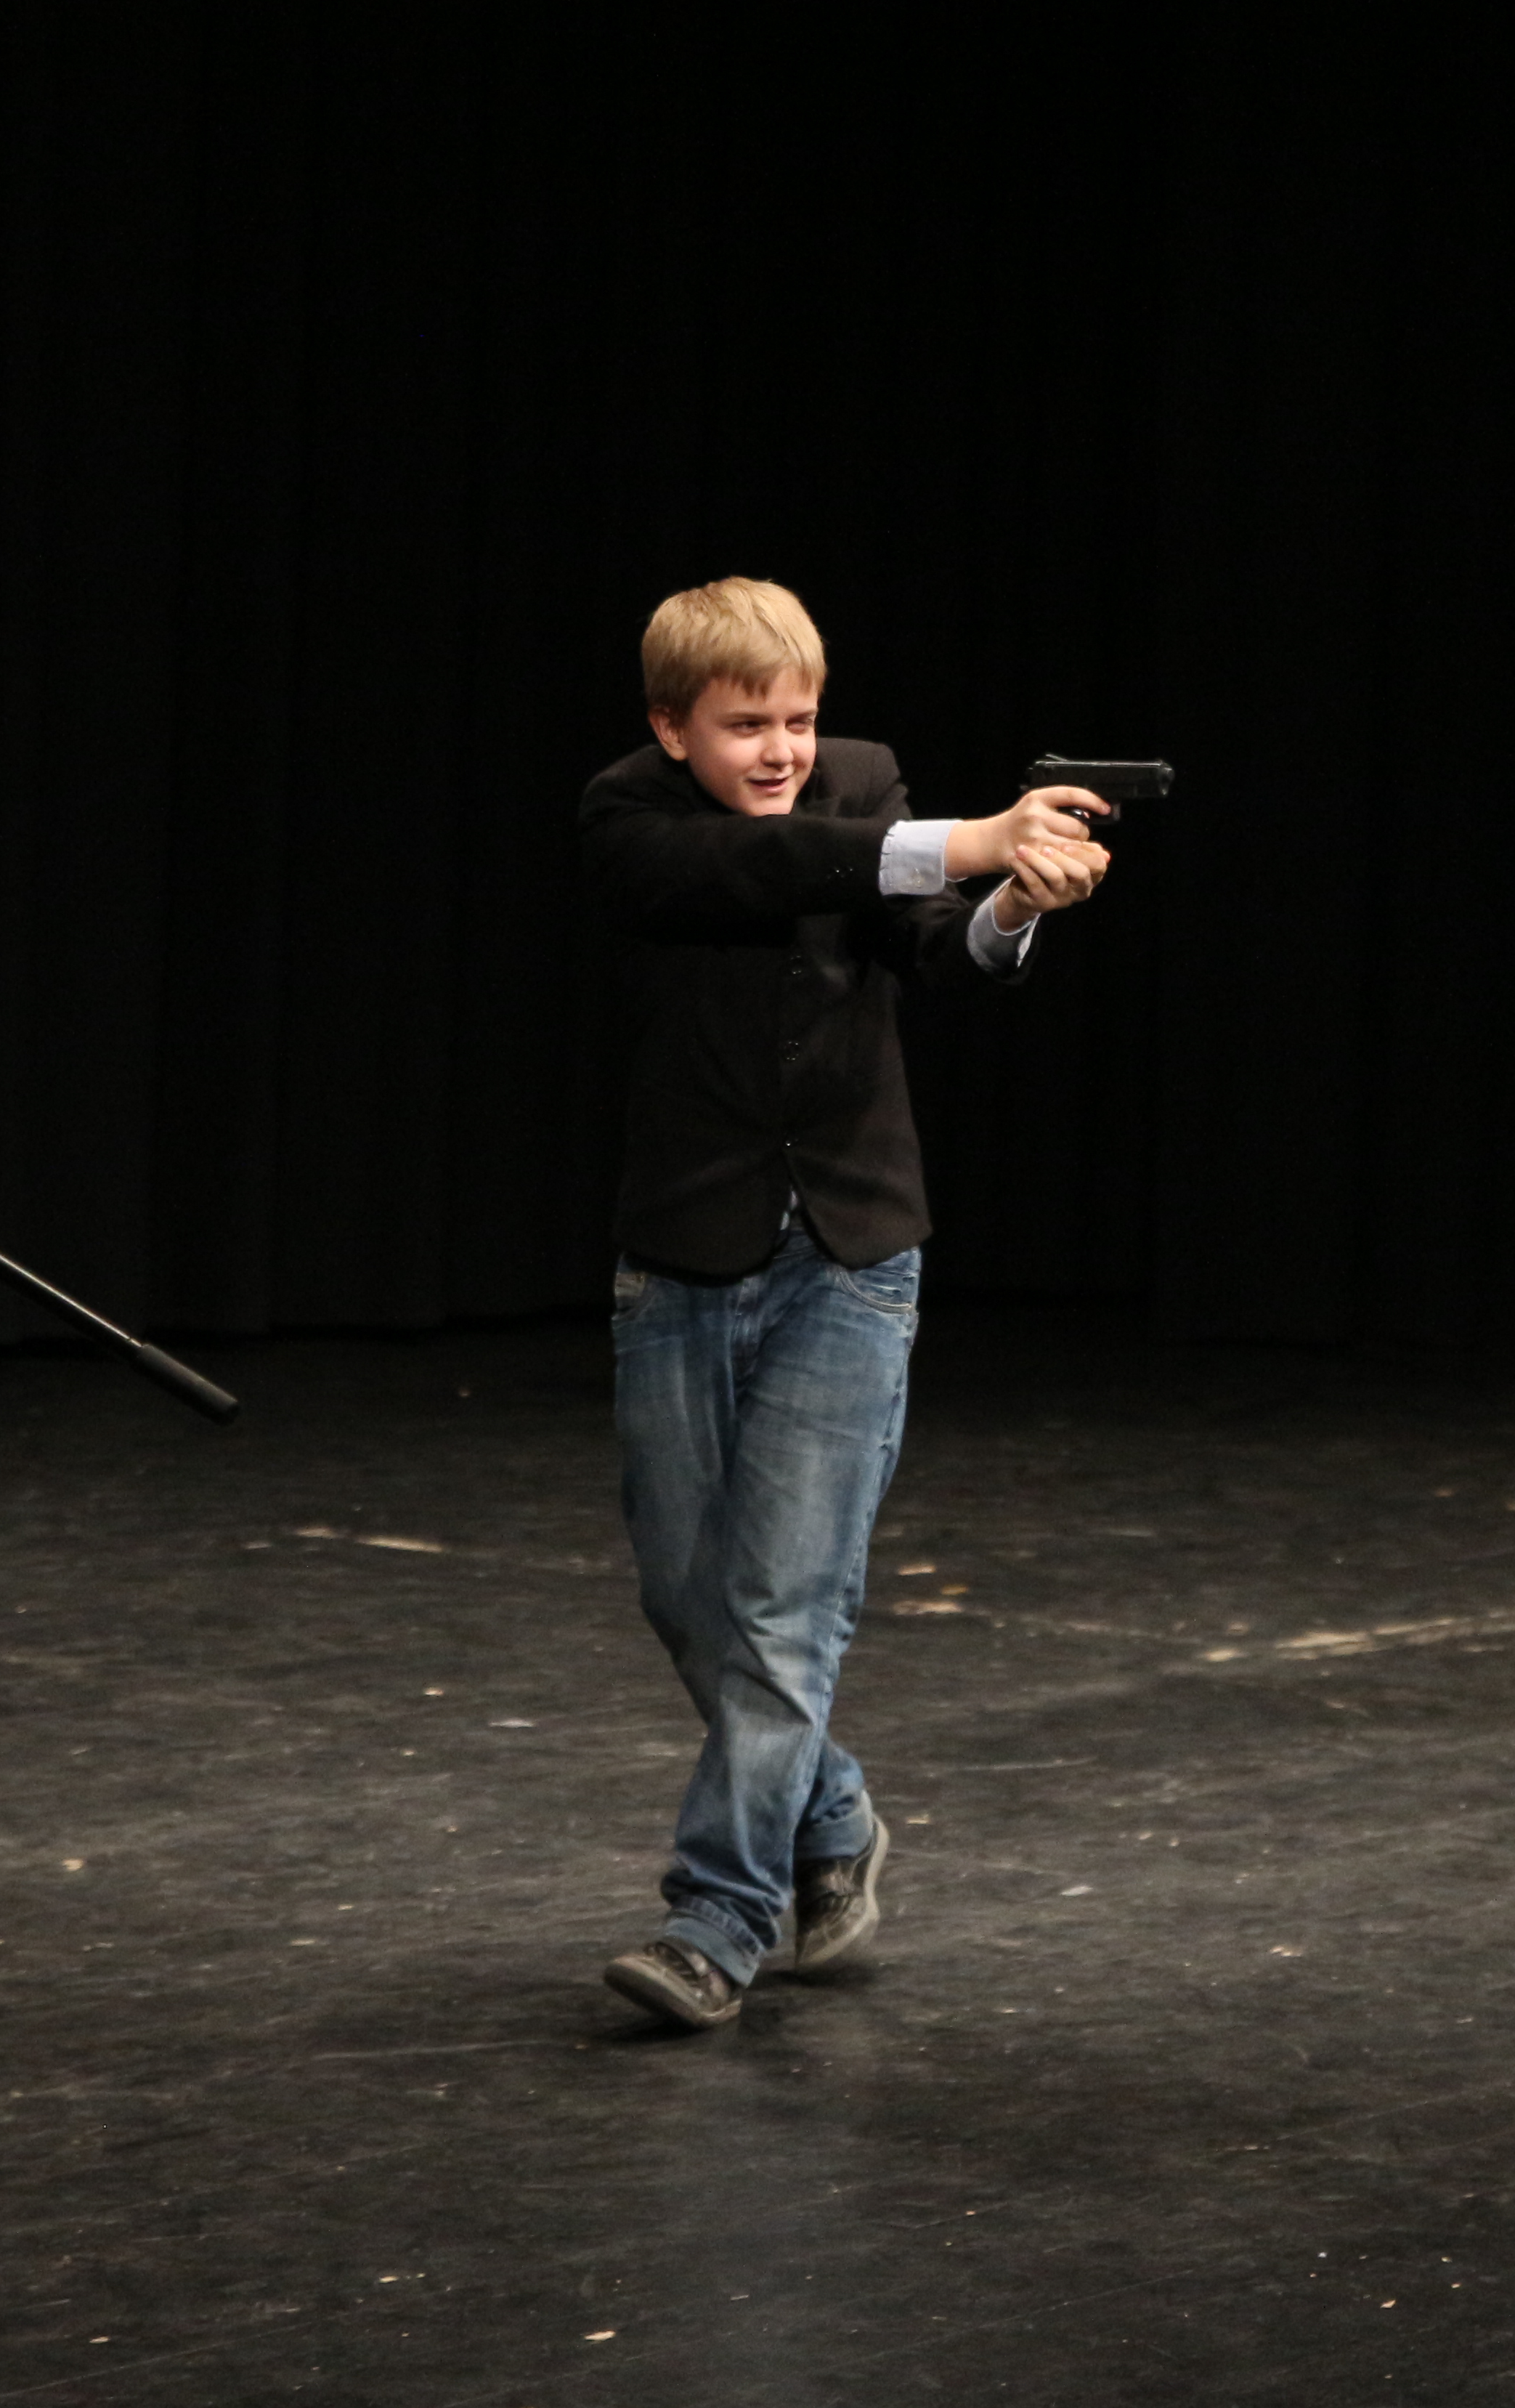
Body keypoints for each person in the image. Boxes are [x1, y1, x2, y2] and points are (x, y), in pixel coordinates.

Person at [580, 577, 1113, 2030]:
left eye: (799, 720)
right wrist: (968, 839)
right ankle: (832, 1817)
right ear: (671, 728)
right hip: (683, 1250)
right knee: (687, 1596)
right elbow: (762, 874)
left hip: (852, 1253)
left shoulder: (864, 782)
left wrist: (1007, 901)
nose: (782, 751)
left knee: (784, 1608)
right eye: (745, 724)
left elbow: (935, 945)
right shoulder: (628, 817)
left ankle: (715, 1918)